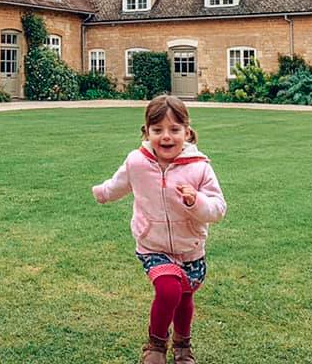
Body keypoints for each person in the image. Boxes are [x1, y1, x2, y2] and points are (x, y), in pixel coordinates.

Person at [92, 94, 227, 364]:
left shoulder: (199, 168)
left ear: (187, 132)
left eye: (174, 130)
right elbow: (118, 184)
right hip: (152, 245)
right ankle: (155, 345)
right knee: (169, 290)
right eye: (158, 130)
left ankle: (183, 346)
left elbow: (217, 209)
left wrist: (194, 201)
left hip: (190, 246)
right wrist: (102, 193)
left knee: (185, 296)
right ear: (146, 132)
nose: (166, 137)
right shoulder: (137, 162)